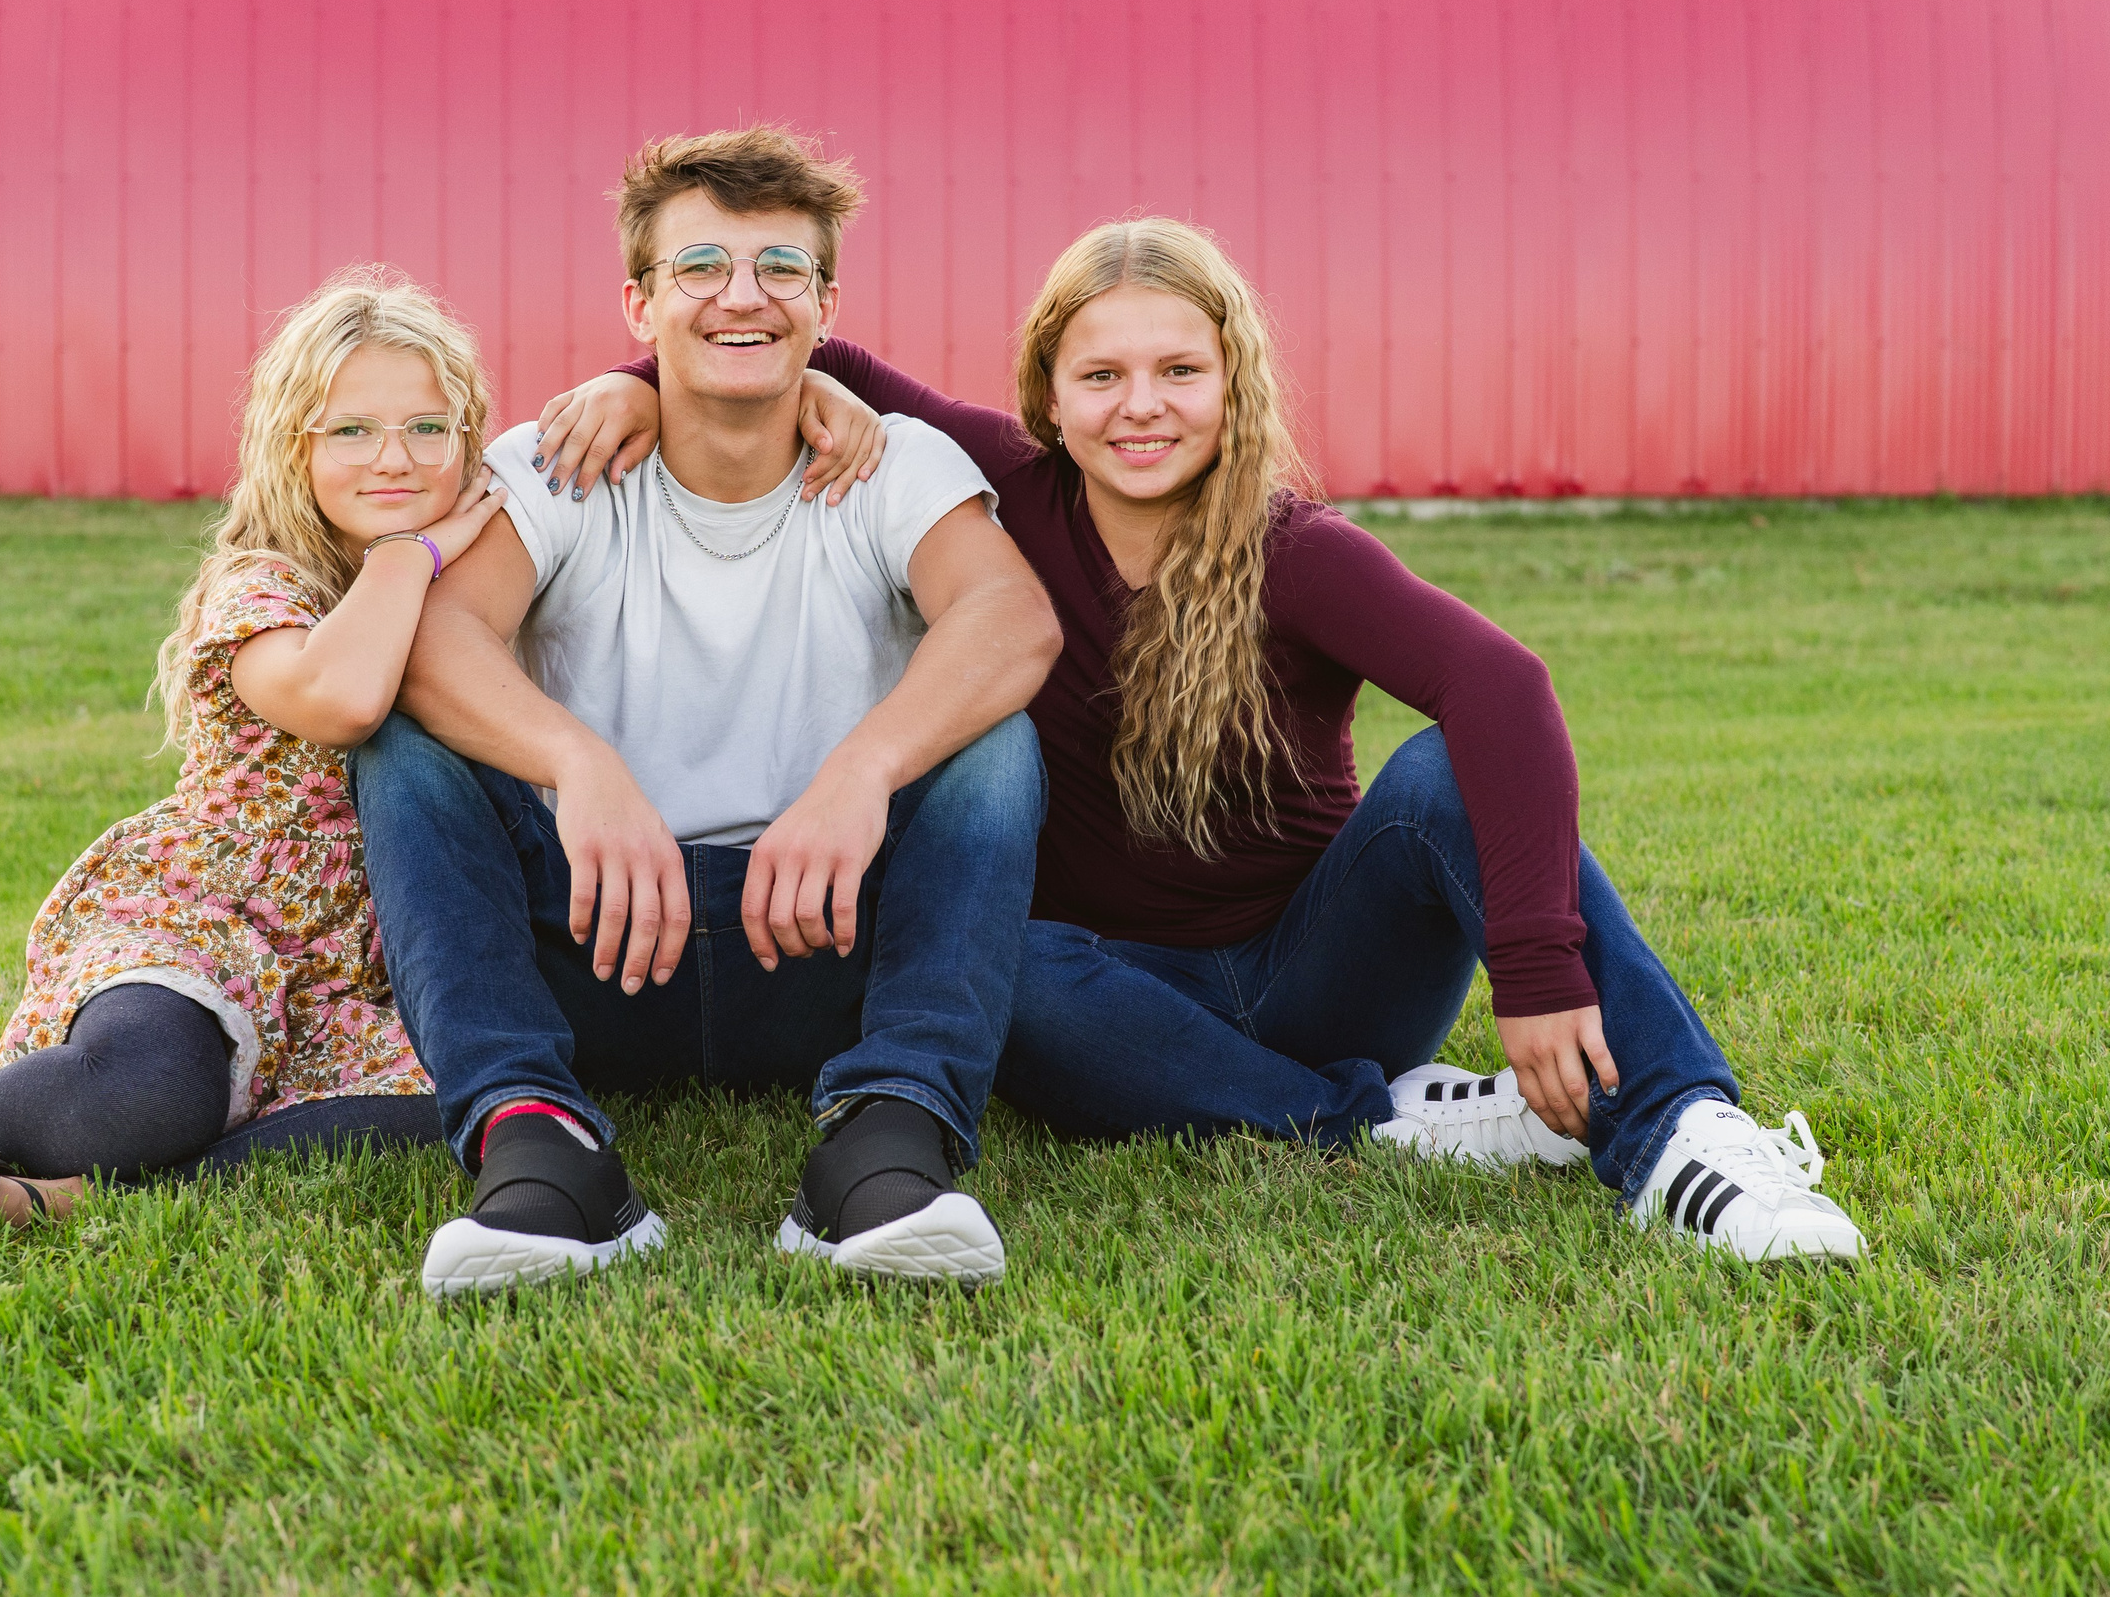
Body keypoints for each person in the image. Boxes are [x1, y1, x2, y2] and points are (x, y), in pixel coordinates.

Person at [546, 217, 1866, 1264]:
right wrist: (624, 389)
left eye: (1180, 369)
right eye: (1102, 374)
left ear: (1231, 379)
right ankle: (1378, 1119)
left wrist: (1535, 965)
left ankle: (1689, 1129)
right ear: (1046, 392)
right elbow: (777, 345)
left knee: (1439, 775)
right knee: (991, 959)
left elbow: (1503, 687)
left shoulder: (1296, 550)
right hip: (1107, 999)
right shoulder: (1000, 489)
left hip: (1320, 964)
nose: (1143, 406)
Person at [351, 126, 1062, 1298]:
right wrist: (578, 764)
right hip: (605, 938)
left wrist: (861, 770)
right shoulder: (558, 460)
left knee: (993, 739)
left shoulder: (893, 463)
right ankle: (540, 1145)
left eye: (781, 267)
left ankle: (888, 1143)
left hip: (823, 939)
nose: (744, 297)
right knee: (403, 738)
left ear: (825, 302)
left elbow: (1012, 621)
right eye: (700, 268)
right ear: (639, 304)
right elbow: (434, 642)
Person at [0, 268, 504, 1236]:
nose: (397, 459)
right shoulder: (261, 584)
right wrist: (408, 554)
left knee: (454, 1106)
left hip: (362, 966)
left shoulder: (485, 579)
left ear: (469, 436)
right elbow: (340, 698)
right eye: (352, 430)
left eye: (428, 427)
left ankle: (66, 1195)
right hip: (208, 919)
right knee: (147, 1094)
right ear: (293, 446)